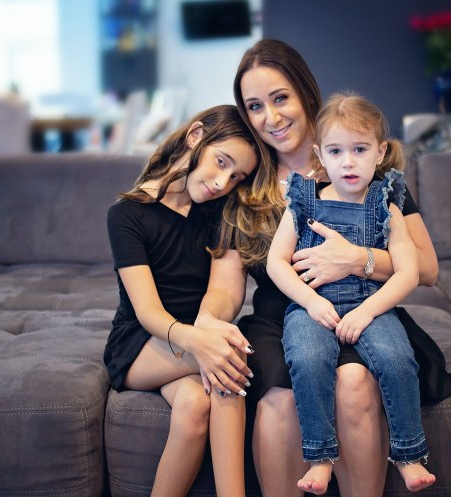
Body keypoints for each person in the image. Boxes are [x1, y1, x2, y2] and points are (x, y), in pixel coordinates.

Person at [196, 39, 451, 497]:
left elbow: (427, 268)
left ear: (305, 93)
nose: (271, 118)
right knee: (279, 396)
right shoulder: (243, 185)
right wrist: (206, 325)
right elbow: (227, 285)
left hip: (366, 308)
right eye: (255, 106)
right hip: (287, 316)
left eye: (280, 99)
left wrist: (360, 259)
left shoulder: (362, 166)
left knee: (354, 381)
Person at [267, 92, 436, 495]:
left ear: (379, 153)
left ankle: (410, 454)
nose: (347, 161)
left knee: (397, 359)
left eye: (359, 149)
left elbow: (410, 271)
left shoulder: (386, 204)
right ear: (319, 155)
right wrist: (310, 301)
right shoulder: (303, 201)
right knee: (308, 359)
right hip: (314, 305)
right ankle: (320, 457)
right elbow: (277, 262)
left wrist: (368, 311)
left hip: (371, 304)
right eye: (336, 151)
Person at [104, 104, 273, 497]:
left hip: (193, 335)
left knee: (196, 403)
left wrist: (206, 329)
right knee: (228, 355)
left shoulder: (219, 212)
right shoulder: (127, 215)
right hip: (140, 342)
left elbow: (221, 290)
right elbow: (146, 311)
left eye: (236, 176)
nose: (222, 182)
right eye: (220, 162)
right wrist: (197, 340)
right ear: (196, 135)